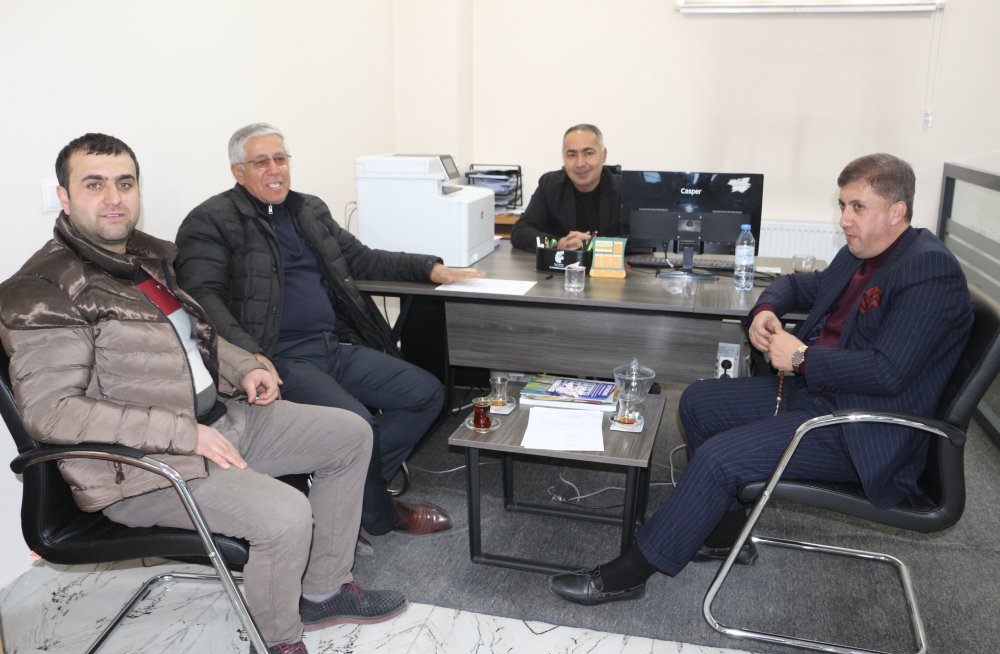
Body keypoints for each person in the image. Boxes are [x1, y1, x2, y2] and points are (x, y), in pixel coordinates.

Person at [0, 133, 406, 654]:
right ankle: (277, 645)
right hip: (141, 468)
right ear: (64, 196)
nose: (114, 198)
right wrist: (186, 434)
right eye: (94, 185)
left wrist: (245, 367)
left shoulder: (147, 259)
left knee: (349, 434)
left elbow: (196, 337)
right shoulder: (42, 290)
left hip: (219, 421)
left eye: (125, 183)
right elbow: (52, 412)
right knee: (287, 514)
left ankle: (325, 592)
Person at [549, 153, 974, 605]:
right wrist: (766, 309)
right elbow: (797, 285)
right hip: (822, 396)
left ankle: (630, 573)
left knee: (718, 459)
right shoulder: (862, 254)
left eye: (857, 207)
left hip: (863, 429)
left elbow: (889, 372)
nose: (844, 219)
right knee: (698, 401)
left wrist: (803, 357)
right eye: (842, 205)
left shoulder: (928, 270)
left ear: (896, 212)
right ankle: (726, 536)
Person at [174, 123, 483, 545]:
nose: (274, 169)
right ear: (237, 171)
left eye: (280, 158)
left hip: (330, 347)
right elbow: (202, 298)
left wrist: (431, 269)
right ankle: (378, 514)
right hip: (278, 359)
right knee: (357, 424)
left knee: (427, 394)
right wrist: (247, 355)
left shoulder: (308, 210)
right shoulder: (211, 221)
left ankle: (344, 490)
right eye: (261, 162)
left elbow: (360, 258)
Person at [509, 123, 622, 252]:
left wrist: (594, 245)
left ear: (603, 155)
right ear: (564, 158)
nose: (580, 163)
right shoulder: (550, 185)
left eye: (589, 153)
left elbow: (637, 241)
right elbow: (520, 232)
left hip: (609, 265)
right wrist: (557, 244)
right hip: (562, 264)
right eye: (571, 155)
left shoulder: (623, 189)